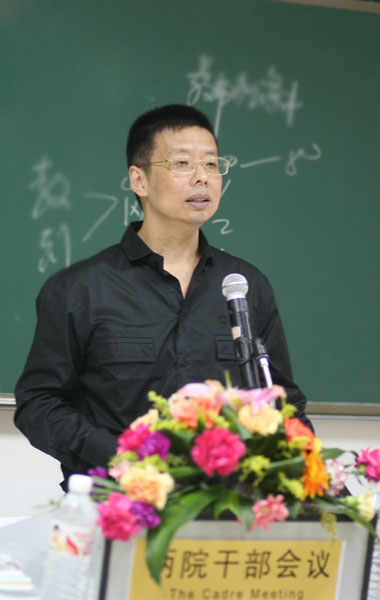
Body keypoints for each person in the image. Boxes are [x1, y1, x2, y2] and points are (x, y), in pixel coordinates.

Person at [14, 104, 313, 490]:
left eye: (212, 164)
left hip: (225, 504)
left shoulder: (245, 285)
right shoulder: (80, 289)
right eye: (182, 163)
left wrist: (322, 484)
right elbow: (39, 404)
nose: (202, 177)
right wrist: (119, 455)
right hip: (116, 502)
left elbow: (283, 402)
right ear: (139, 180)